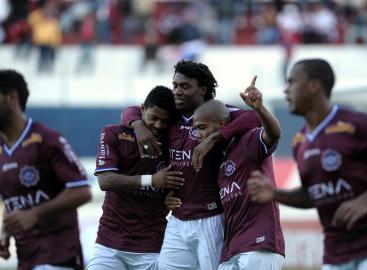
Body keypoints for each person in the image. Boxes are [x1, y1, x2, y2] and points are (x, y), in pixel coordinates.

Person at [248, 59, 367, 270]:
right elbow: (312, 194)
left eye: (292, 82)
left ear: (314, 86)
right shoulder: (300, 141)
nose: (286, 91)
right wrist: (276, 194)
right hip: (335, 253)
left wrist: (365, 200)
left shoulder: (357, 124)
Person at [121, 60, 261, 270]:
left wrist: (214, 138)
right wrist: (139, 125)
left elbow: (254, 118)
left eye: (185, 86)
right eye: (175, 85)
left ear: (202, 89)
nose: (177, 91)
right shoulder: (171, 115)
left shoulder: (217, 113)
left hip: (210, 217)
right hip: (177, 217)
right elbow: (132, 110)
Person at [167, 76, 285, 269]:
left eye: (203, 128)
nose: (199, 135)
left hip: (259, 243)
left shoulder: (248, 141)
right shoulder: (219, 157)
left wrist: (260, 108)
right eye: (196, 130)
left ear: (222, 125)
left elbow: (273, 134)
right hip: (231, 248)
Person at [0, 69, 92, 270]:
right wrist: (6, 231)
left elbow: (82, 190)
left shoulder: (46, 140)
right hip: (26, 260)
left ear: (11, 97)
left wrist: (34, 214)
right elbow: (14, 202)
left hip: (58, 257)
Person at [87, 86, 185, 270]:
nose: (158, 125)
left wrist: (172, 198)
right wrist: (151, 180)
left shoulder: (174, 144)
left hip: (151, 247)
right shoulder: (114, 133)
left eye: (164, 121)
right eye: (153, 118)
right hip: (109, 244)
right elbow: (105, 181)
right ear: (142, 110)